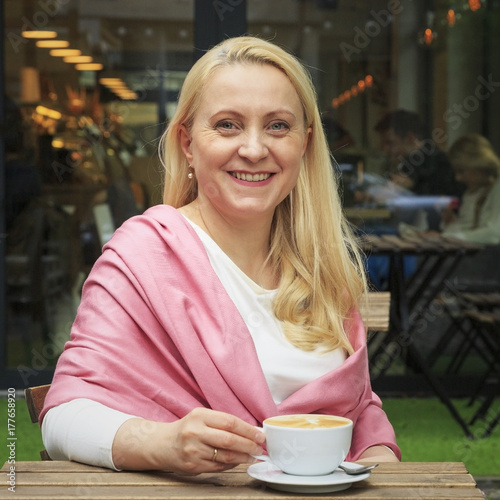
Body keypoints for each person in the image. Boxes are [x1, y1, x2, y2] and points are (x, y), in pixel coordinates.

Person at [40, 36, 400, 475]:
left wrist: (382, 463)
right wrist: (164, 443)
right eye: (228, 125)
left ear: (304, 145)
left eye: (278, 126)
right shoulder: (142, 256)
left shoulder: (325, 269)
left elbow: (359, 413)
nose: (253, 148)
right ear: (188, 143)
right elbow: (63, 417)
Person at [374, 109, 464, 198]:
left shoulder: (422, 161)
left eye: (390, 142)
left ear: (410, 138)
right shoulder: (431, 155)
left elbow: (385, 194)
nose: (384, 148)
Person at [440, 133, 500, 244]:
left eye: (462, 171)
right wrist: (449, 221)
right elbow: (466, 230)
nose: (458, 178)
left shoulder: (497, 188)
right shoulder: (470, 193)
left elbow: (495, 233)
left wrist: (449, 237)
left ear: (478, 165)